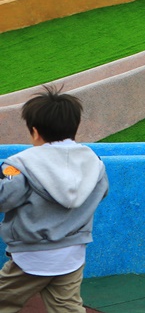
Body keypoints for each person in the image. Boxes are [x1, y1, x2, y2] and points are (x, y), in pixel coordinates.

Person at [0, 85, 108, 312]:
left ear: (35, 131)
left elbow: (4, 200)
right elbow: (101, 192)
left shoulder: (20, 164)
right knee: (66, 306)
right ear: (74, 128)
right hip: (72, 252)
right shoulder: (94, 161)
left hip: (31, 253)